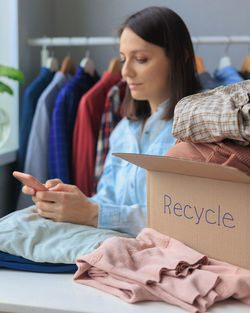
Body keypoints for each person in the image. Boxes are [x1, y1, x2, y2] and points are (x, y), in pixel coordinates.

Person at [22, 6, 201, 237]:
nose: (125, 72)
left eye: (140, 59)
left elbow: (192, 219)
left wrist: (92, 212)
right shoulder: (123, 131)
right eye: (123, 59)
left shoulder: (198, 130)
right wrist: (68, 200)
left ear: (181, 57)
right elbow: (107, 200)